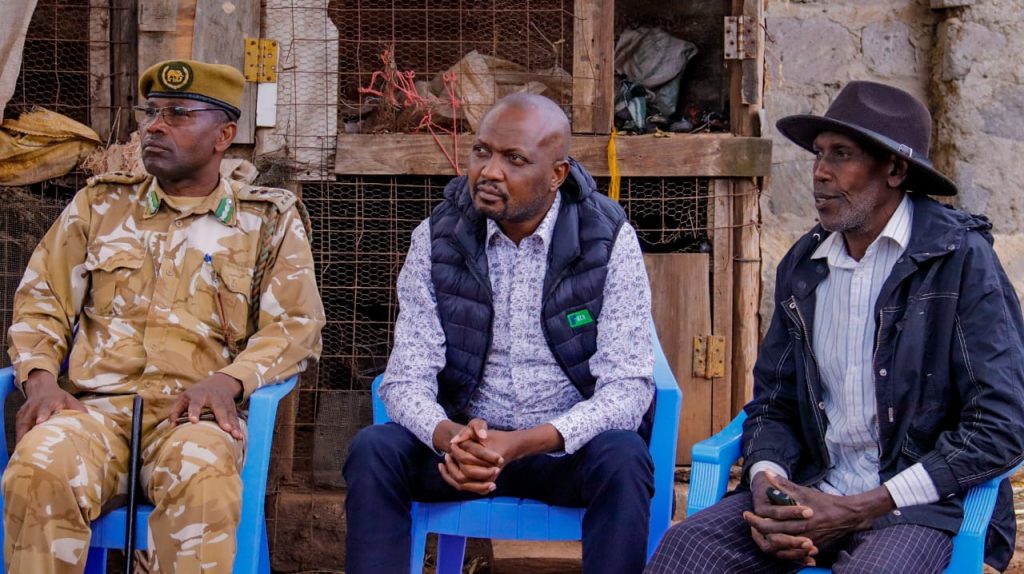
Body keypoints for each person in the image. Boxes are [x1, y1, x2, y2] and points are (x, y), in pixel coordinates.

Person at [645, 80, 1024, 574]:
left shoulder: (959, 260)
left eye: (841, 154)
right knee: (686, 553)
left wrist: (860, 508)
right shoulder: (806, 265)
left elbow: (1001, 426)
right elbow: (774, 402)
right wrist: (769, 485)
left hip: (919, 507)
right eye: (819, 154)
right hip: (815, 489)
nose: (820, 172)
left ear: (894, 168)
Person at [2, 59, 325, 573]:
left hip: (195, 418)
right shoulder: (99, 206)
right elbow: (42, 299)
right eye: (150, 112)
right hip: (95, 416)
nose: (153, 126)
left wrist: (230, 380)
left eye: (177, 114)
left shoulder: (265, 219)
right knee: (40, 465)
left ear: (223, 135)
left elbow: (295, 328)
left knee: (202, 475)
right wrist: (40, 379)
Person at [343, 93, 656, 574]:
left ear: (557, 175)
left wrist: (526, 442)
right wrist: (450, 438)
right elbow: (405, 378)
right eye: (482, 151)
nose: (489, 171)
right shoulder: (437, 238)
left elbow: (629, 388)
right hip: (463, 451)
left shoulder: (607, 239)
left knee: (624, 458)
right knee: (373, 450)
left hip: (560, 452)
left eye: (514, 159)